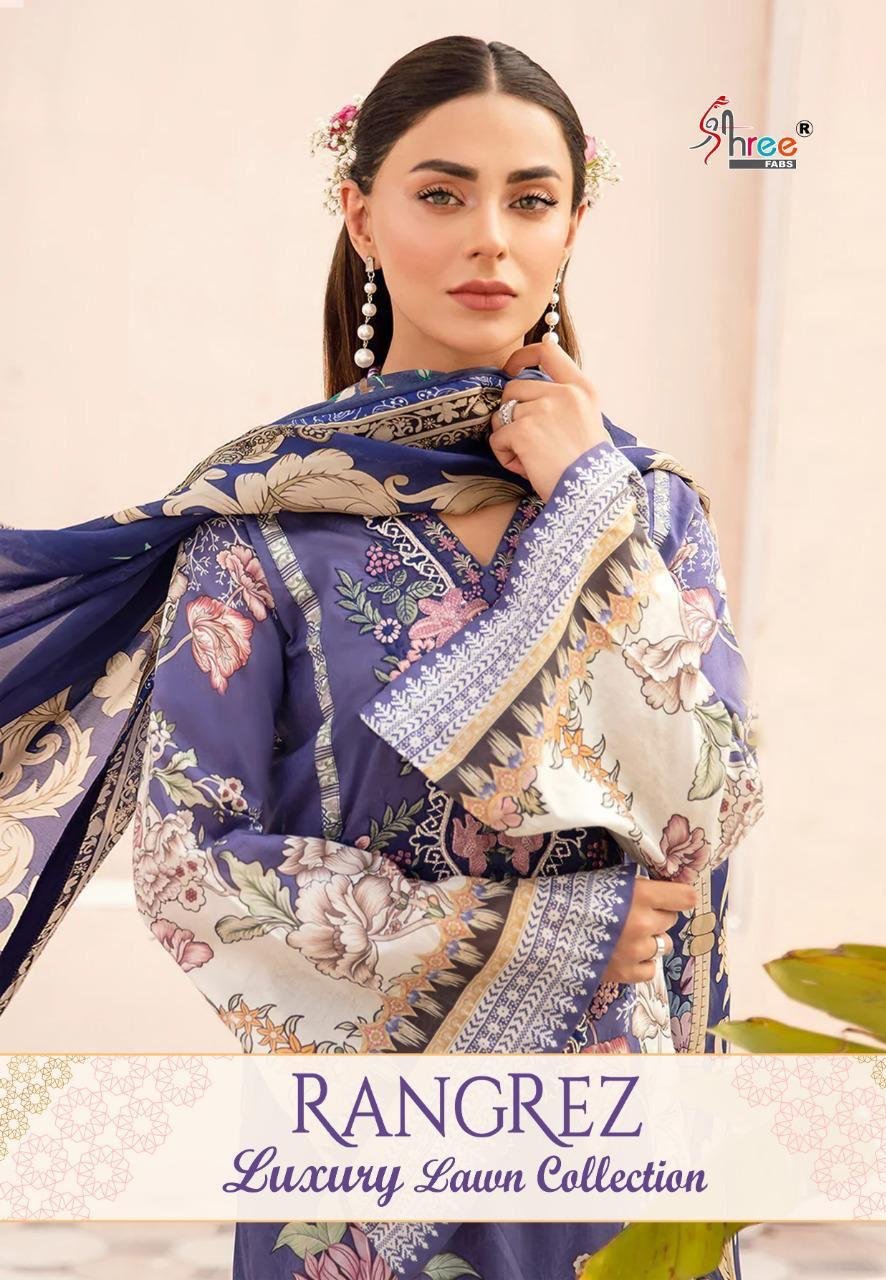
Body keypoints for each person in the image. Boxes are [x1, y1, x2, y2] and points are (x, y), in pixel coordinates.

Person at [0, 35, 764, 1280]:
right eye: (442, 194)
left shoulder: (646, 507)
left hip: (614, 1152)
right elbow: (191, 867)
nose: (490, 239)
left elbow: (708, 803)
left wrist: (585, 495)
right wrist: (560, 931)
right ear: (362, 215)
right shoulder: (264, 527)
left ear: (574, 227)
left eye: (531, 200)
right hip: (360, 1173)